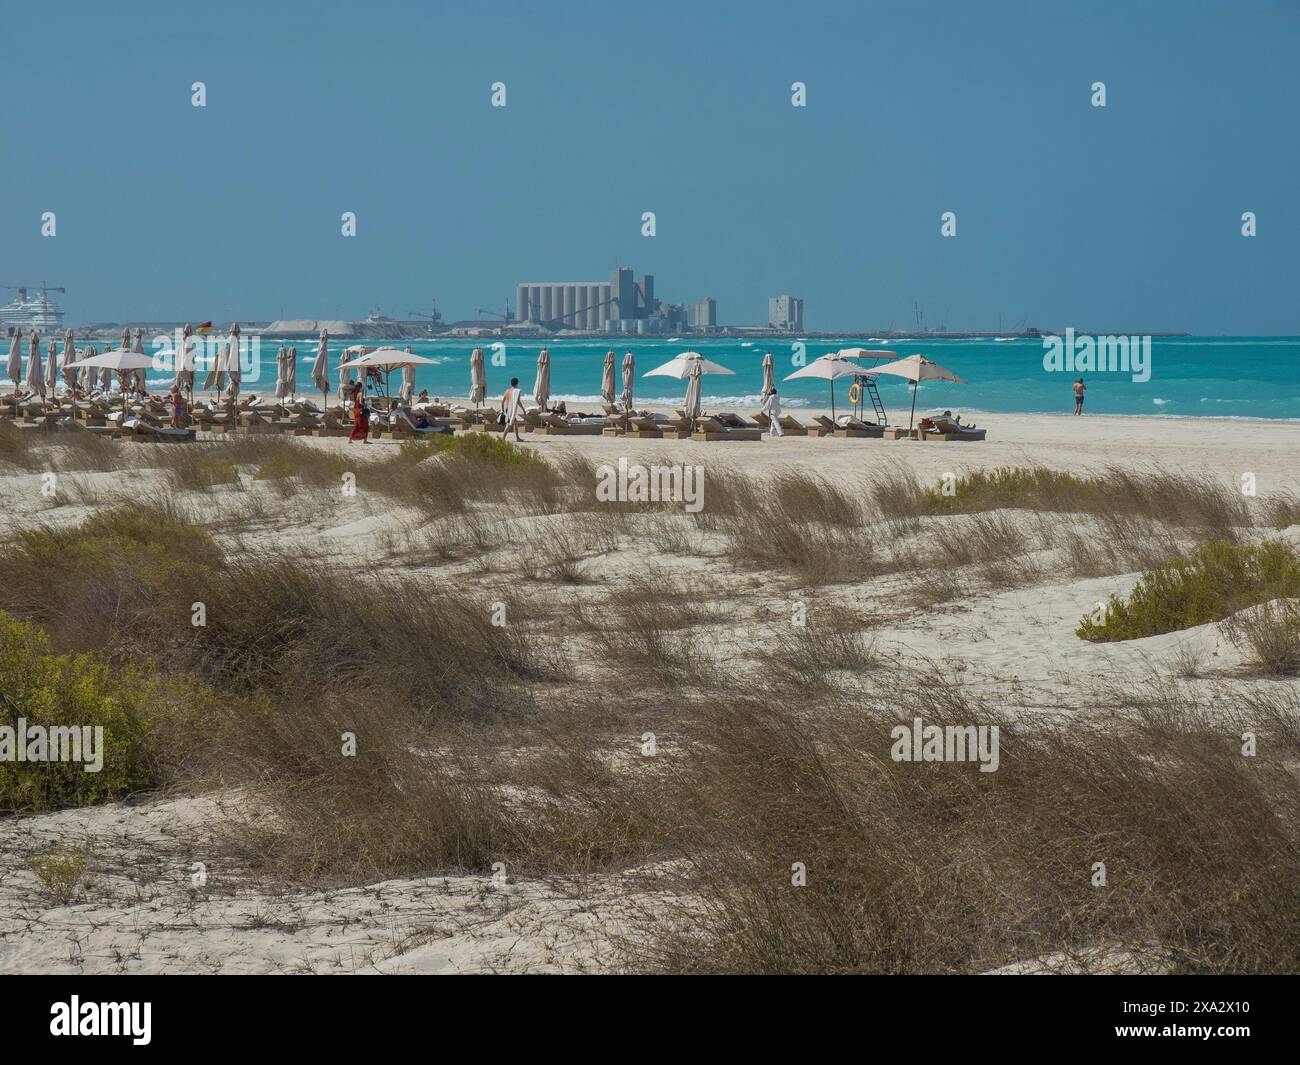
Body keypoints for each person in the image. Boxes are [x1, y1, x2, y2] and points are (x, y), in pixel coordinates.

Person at [500, 376, 524, 442]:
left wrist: (502, 410)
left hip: (507, 409)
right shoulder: (515, 392)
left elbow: (502, 401)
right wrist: (523, 409)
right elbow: (518, 402)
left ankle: (517, 438)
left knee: (516, 423)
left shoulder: (507, 391)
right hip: (511, 411)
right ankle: (503, 439)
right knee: (509, 425)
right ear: (517, 384)